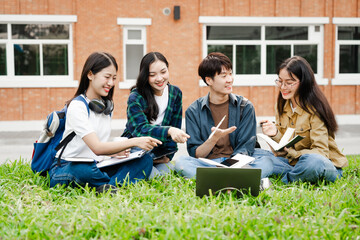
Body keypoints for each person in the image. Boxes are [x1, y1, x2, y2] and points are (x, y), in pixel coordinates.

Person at [49, 52, 162, 193]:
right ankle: (115, 184)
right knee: (84, 170)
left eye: (114, 78)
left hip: (97, 164)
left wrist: (112, 154)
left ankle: (108, 187)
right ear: (90, 75)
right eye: (107, 77)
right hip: (67, 167)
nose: (111, 83)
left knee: (144, 160)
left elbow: (97, 152)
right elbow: (97, 147)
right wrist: (134, 142)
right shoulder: (77, 106)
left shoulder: (106, 107)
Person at [174, 52, 273, 180]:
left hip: (239, 162)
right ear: (209, 80)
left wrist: (229, 166)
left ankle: (216, 179)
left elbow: (245, 148)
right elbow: (196, 154)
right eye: (223, 75)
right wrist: (213, 139)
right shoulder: (193, 111)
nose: (230, 79)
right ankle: (237, 179)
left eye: (230, 74)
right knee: (182, 163)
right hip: (209, 164)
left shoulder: (245, 107)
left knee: (266, 162)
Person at [260, 56, 348, 184]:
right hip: (293, 164)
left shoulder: (315, 109)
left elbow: (321, 153)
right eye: (280, 81)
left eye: (289, 83)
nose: (283, 87)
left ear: (304, 82)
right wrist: (275, 134)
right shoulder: (281, 106)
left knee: (313, 162)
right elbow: (284, 145)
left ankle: (283, 182)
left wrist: (292, 153)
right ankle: (296, 175)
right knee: (258, 155)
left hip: (323, 165)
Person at [122, 52, 190, 177]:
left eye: (163, 72)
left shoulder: (175, 93)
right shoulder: (136, 97)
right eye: (152, 75)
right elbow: (140, 130)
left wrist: (167, 157)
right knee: (153, 175)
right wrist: (169, 130)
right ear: (144, 76)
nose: (159, 79)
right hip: (136, 152)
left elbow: (174, 132)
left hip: (160, 154)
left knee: (169, 170)